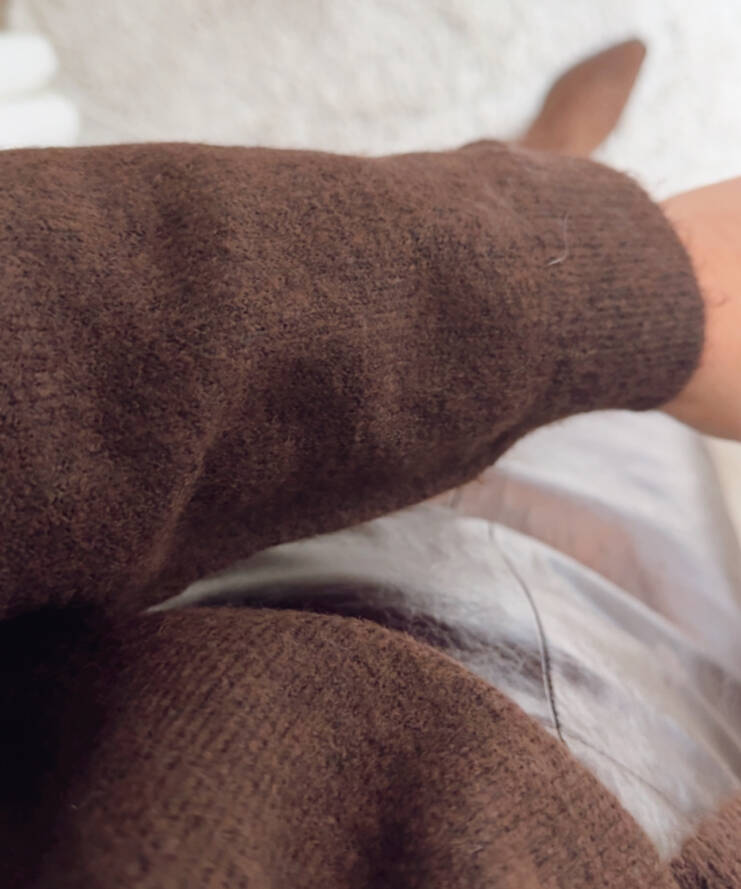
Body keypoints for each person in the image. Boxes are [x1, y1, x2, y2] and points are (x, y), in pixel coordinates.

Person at [0, 137, 739, 887]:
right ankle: (556, 156)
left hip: (195, 674)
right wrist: (621, 284)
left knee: (573, 419)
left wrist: (616, 276)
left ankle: (555, 157)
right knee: (620, 440)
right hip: (609, 754)